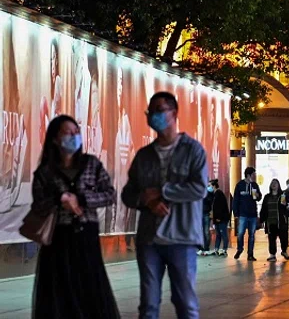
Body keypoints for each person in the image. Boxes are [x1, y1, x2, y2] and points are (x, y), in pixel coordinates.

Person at [122, 92, 207, 319]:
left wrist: (163, 192)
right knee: (148, 305)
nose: (154, 116)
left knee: (185, 303)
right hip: (150, 239)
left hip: (182, 237)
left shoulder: (193, 150)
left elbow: (199, 188)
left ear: (174, 113)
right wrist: (146, 201)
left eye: (160, 110)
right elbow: (128, 194)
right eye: (151, 112)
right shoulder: (144, 155)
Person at [31, 114, 121, 319]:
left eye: (76, 132)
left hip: (86, 237)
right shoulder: (45, 172)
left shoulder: (92, 164)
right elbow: (38, 205)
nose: (73, 136)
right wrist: (59, 198)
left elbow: (109, 195)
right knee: (59, 291)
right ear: (55, 138)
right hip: (57, 239)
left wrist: (80, 198)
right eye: (67, 132)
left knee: (89, 289)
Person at [232, 166, 262, 260]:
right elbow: (235, 200)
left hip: (252, 214)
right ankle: (240, 249)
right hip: (242, 214)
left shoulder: (255, 185)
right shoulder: (240, 185)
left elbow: (259, 197)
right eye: (253, 174)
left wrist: (257, 196)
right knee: (240, 233)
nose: (254, 176)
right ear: (248, 175)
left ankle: (250, 254)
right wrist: (236, 213)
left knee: (252, 235)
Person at [259, 179, 289, 262]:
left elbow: (286, 207)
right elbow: (263, 209)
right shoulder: (267, 197)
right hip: (270, 221)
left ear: (278, 185)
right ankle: (272, 254)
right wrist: (261, 219)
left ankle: (284, 251)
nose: (273, 185)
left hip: (281, 221)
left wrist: (286, 205)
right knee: (272, 238)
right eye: (272, 183)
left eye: (275, 183)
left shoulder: (282, 196)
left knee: (283, 237)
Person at [209, 179, 229, 256]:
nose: (209, 187)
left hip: (221, 219)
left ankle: (224, 249)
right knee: (218, 234)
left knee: (223, 234)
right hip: (217, 219)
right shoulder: (215, 194)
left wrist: (219, 218)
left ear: (214, 186)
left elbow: (220, 207)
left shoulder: (219, 194)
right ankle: (216, 249)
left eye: (210, 186)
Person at [200, 180, 215, 256]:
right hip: (199, 214)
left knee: (206, 231)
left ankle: (206, 247)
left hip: (206, 213)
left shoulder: (209, 192)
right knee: (200, 232)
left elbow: (211, 202)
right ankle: (201, 248)